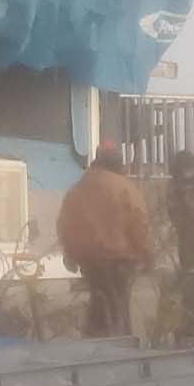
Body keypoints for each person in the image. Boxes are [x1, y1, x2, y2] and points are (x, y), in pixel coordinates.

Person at [57, 140, 152, 337]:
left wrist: (70, 254)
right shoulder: (125, 188)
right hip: (119, 258)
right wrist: (144, 251)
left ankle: (94, 342)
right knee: (119, 305)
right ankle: (122, 346)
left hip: (88, 260)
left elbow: (65, 223)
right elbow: (138, 223)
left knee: (98, 299)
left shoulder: (78, 189)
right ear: (118, 162)